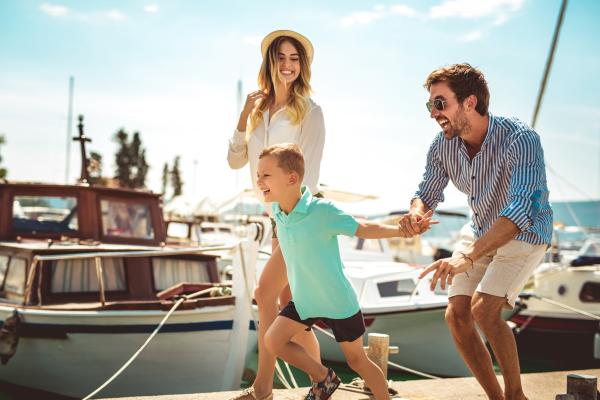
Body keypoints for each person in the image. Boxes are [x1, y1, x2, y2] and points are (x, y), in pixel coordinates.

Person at [403, 63, 553, 400]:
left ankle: (516, 395)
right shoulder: (443, 145)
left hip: (525, 230)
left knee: (483, 309)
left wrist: (467, 257)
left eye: (440, 103)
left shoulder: (521, 139)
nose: (433, 114)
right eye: (430, 106)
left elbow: (518, 213)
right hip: (482, 225)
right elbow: (426, 193)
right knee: (456, 314)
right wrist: (416, 215)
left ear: (470, 102)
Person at [256, 143, 436, 400]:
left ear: (291, 178)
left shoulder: (323, 211)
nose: (259, 181)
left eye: (266, 175)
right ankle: (323, 377)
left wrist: (403, 230)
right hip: (306, 301)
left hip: (339, 302)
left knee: (357, 361)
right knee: (273, 340)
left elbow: (364, 228)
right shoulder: (276, 211)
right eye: (258, 175)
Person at [227, 30, 325, 400]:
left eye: (294, 59)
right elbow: (236, 160)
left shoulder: (310, 111)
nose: (287, 65)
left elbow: (310, 174)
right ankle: (318, 384)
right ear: (269, 61)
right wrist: (241, 119)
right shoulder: (255, 111)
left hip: (297, 216)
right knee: (290, 304)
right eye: (281, 57)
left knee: (266, 294)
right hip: (274, 217)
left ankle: (263, 388)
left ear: (303, 66)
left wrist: (293, 220)